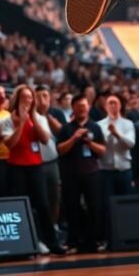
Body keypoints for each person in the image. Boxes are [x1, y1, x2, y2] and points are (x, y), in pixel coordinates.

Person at [1, 85, 65, 256]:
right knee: (20, 207)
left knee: (43, 205)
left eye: (30, 97)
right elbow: (10, 144)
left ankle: (52, 243)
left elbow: (44, 139)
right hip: (16, 167)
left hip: (36, 166)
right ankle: (24, 245)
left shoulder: (37, 118)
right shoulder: (7, 119)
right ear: (17, 99)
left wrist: (33, 118)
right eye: (25, 97)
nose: (28, 100)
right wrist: (21, 123)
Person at [57, 94, 106, 253]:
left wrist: (89, 143)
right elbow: (60, 150)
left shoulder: (95, 127)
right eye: (78, 106)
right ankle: (73, 242)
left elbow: (103, 151)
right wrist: (74, 138)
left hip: (92, 172)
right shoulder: (66, 128)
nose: (81, 108)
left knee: (94, 206)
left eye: (83, 105)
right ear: (73, 108)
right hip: (70, 174)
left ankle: (95, 240)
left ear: (89, 107)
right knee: (72, 207)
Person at [98, 95, 135, 243]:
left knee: (125, 204)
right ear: (105, 106)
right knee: (106, 206)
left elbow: (130, 144)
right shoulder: (99, 124)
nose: (113, 105)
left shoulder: (128, 123)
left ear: (120, 106)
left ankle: (127, 236)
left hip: (124, 169)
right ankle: (109, 238)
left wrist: (117, 133)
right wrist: (109, 134)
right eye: (110, 103)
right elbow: (100, 144)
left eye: (115, 103)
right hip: (105, 170)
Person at [34, 85, 62, 226]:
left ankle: (54, 226)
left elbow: (63, 134)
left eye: (45, 96)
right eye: (38, 96)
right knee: (40, 199)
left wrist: (49, 117)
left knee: (54, 197)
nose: (42, 99)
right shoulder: (30, 115)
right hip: (36, 163)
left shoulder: (57, 113)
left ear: (49, 97)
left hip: (53, 161)